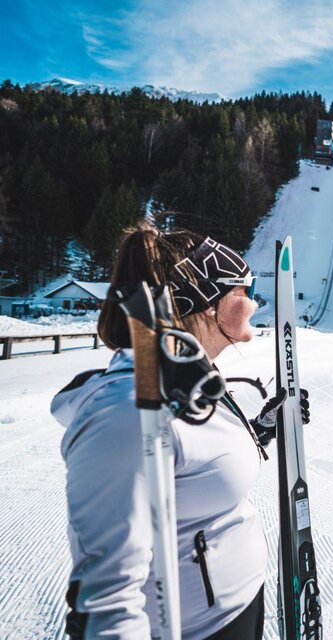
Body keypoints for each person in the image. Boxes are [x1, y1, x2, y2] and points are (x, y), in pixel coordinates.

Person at [52, 225, 308, 639]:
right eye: (246, 288)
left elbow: (196, 463)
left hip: (235, 606)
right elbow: (107, 597)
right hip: (197, 627)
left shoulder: (189, 378)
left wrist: (261, 430)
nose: (256, 301)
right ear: (209, 304)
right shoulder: (128, 411)